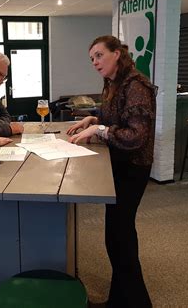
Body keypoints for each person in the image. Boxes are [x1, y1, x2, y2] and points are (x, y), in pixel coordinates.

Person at [67, 35, 156, 308]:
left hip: (133, 167)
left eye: (99, 55)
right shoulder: (114, 82)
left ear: (117, 53)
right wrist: (94, 119)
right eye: (92, 58)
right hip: (118, 165)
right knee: (116, 236)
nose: (95, 62)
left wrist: (100, 130)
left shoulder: (136, 85)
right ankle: (120, 299)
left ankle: (138, 302)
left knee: (121, 237)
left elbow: (135, 136)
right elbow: (116, 118)